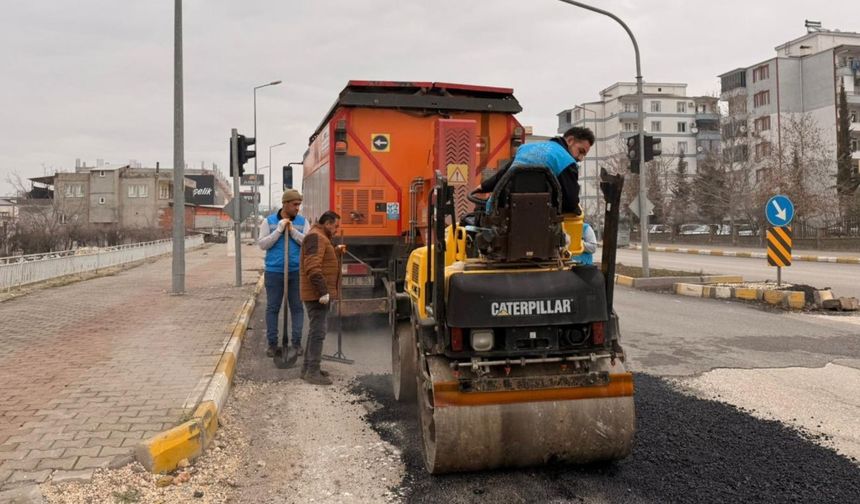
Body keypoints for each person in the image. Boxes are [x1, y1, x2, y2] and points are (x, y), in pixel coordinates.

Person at [477, 126, 594, 214]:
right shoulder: (566, 161)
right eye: (581, 151)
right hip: (539, 219)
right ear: (570, 140)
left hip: (500, 211)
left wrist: (483, 187)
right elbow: (570, 202)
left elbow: (504, 173)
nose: (580, 158)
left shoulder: (525, 148)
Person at [258, 189, 307, 358]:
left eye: (299, 205)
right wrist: (278, 231)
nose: (297, 208)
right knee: (273, 307)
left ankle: (296, 343)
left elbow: (307, 243)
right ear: (285, 204)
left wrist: (293, 232)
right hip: (274, 272)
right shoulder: (269, 221)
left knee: (297, 308)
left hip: (295, 271)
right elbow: (263, 244)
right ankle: (272, 344)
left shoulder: (302, 222)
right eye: (294, 204)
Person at [299, 210, 346, 385]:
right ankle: (312, 372)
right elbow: (312, 267)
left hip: (317, 294)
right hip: (316, 295)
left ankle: (309, 369)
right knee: (318, 332)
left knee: (315, 331)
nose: (337, 230)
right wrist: (323, 292)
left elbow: (322, 259)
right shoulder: (315, 237)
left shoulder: (320, 237)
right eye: (335, 226)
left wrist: (335, 251)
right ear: (327, 223)